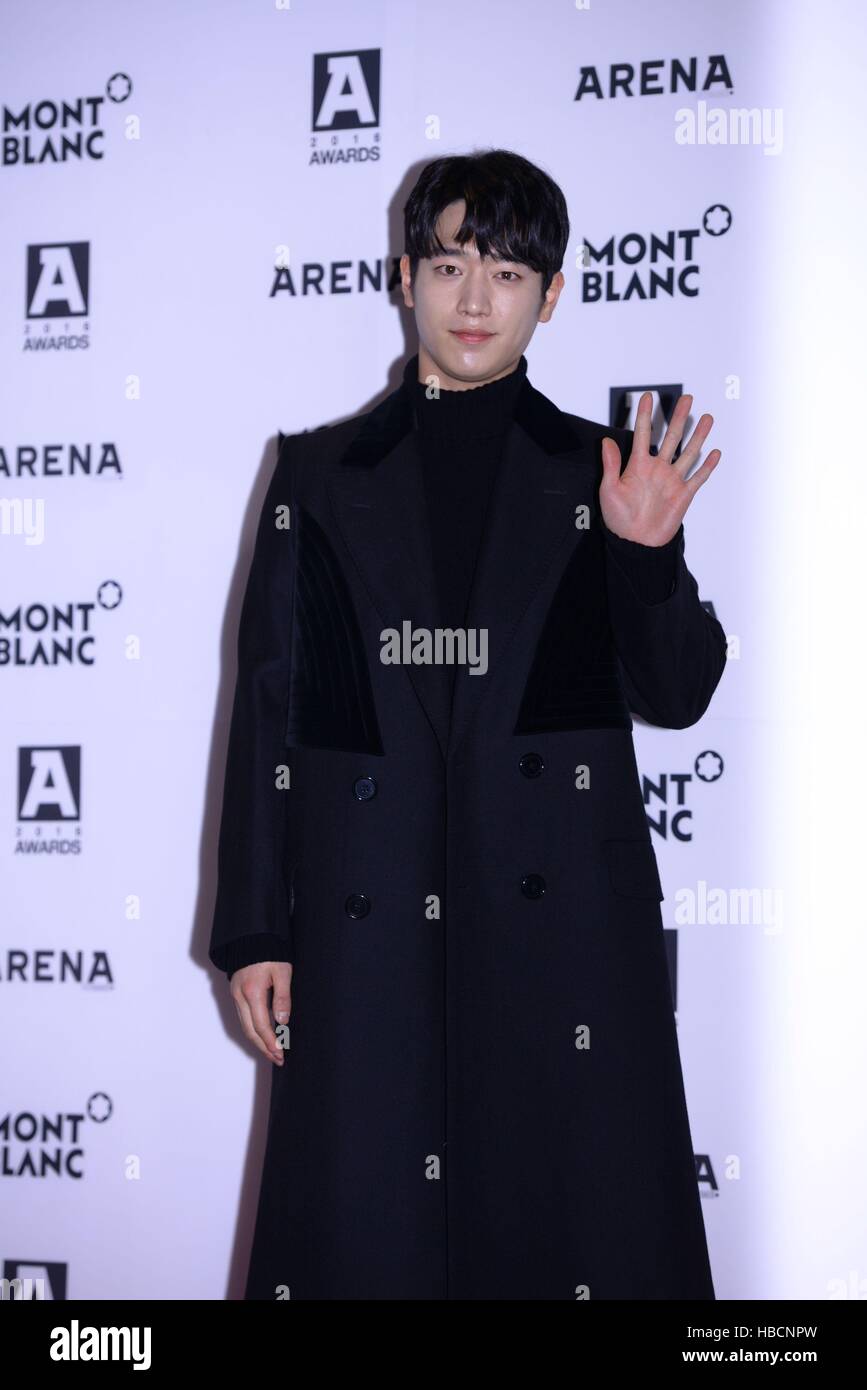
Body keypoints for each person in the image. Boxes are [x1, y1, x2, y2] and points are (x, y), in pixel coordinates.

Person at [209, 148, 726, 1300]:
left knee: (570, 1231)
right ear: (406, 279)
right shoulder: (319, 471)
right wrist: (255, 930)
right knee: (365, 1233)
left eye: (507, 270)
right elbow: (271, 706)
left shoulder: (605, 472)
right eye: (450, 264)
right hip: (370, 923)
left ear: (554, 291)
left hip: (562, 933)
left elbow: (677, 692)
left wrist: (643, 557)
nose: (477, 298)